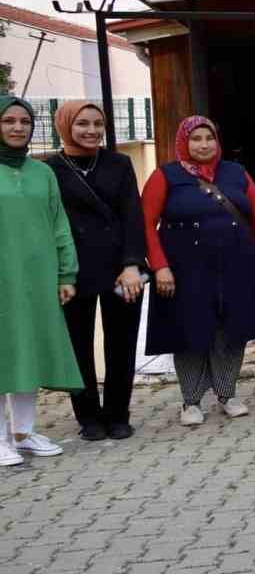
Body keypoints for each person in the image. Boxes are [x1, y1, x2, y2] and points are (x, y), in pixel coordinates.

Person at [142, 115, 255, 425]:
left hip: (235, 265)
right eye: (196, 139)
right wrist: (160, 266)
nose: (204, 144)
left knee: (231, 330)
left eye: (209, 138)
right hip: (185, 269)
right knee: (190, 331)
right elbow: (145, 224)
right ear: (183, 142)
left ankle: (227, 393)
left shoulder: (236, 173)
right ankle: (191, 401)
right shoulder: (166, 176)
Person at [47, 100, 146, 441]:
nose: (91, 131)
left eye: (97, 124)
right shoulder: (51, 169)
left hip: (121, 269)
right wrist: (62, 274)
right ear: (64, 126)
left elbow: (133, 215)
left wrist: (132, 264)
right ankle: (88, 416)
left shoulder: (119, 163)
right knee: (77, 345)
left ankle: (119, 414)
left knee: (122, 343)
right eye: (82, 124)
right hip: (74, 271)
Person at [0, 96, 79, 465]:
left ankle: (24, 431)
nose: (18, 128)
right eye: (8, 121)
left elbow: (59, 224)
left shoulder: (42, 172)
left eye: (24, 121)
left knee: (29, 348)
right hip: (4, 277)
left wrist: (66, 272)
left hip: (37, 276)